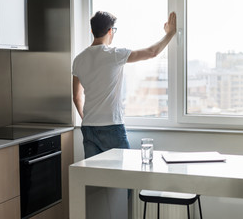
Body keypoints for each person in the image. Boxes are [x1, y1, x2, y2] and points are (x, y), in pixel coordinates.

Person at [72, 11, 177, 158]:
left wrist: (87, 119)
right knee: (124, 176)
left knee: (94, 176)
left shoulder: (78, 60)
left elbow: (76, 97)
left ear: (92, 30)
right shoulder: (114, 54)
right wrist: (170, 34)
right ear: (110, 31)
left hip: (89, 127)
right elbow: (152, 52)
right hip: (112, 125)